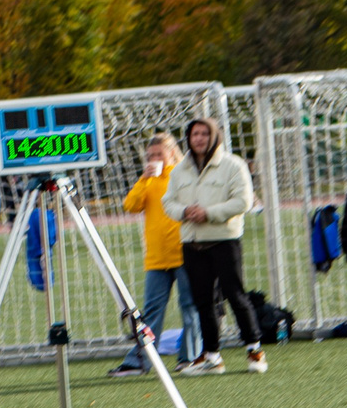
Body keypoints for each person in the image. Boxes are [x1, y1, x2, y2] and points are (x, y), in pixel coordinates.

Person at [163, 116, 265, 373]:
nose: (198, 139)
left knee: (235, 295)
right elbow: (168, 203)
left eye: (204, 134)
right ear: (187, 138)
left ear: (214, 136)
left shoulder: (233, 165)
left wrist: (208, 212)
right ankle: (211, 357)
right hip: (193, 243)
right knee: (204, 302)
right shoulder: (179, 170)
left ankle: (254, 350)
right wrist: (185, 211)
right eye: (194, 134)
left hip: (224, 241)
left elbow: (243, 201)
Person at [112, 133, 198, 374]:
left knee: (190, 307)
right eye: (150, 156)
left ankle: (190, 358)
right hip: (157, 258)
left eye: (159, 154)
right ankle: (140, 360)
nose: (154, 159)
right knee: (150, 311)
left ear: (172, 153)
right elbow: (131, 206)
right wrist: (143, 179)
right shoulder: (148, 181)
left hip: (184, 253)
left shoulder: (184, 176)